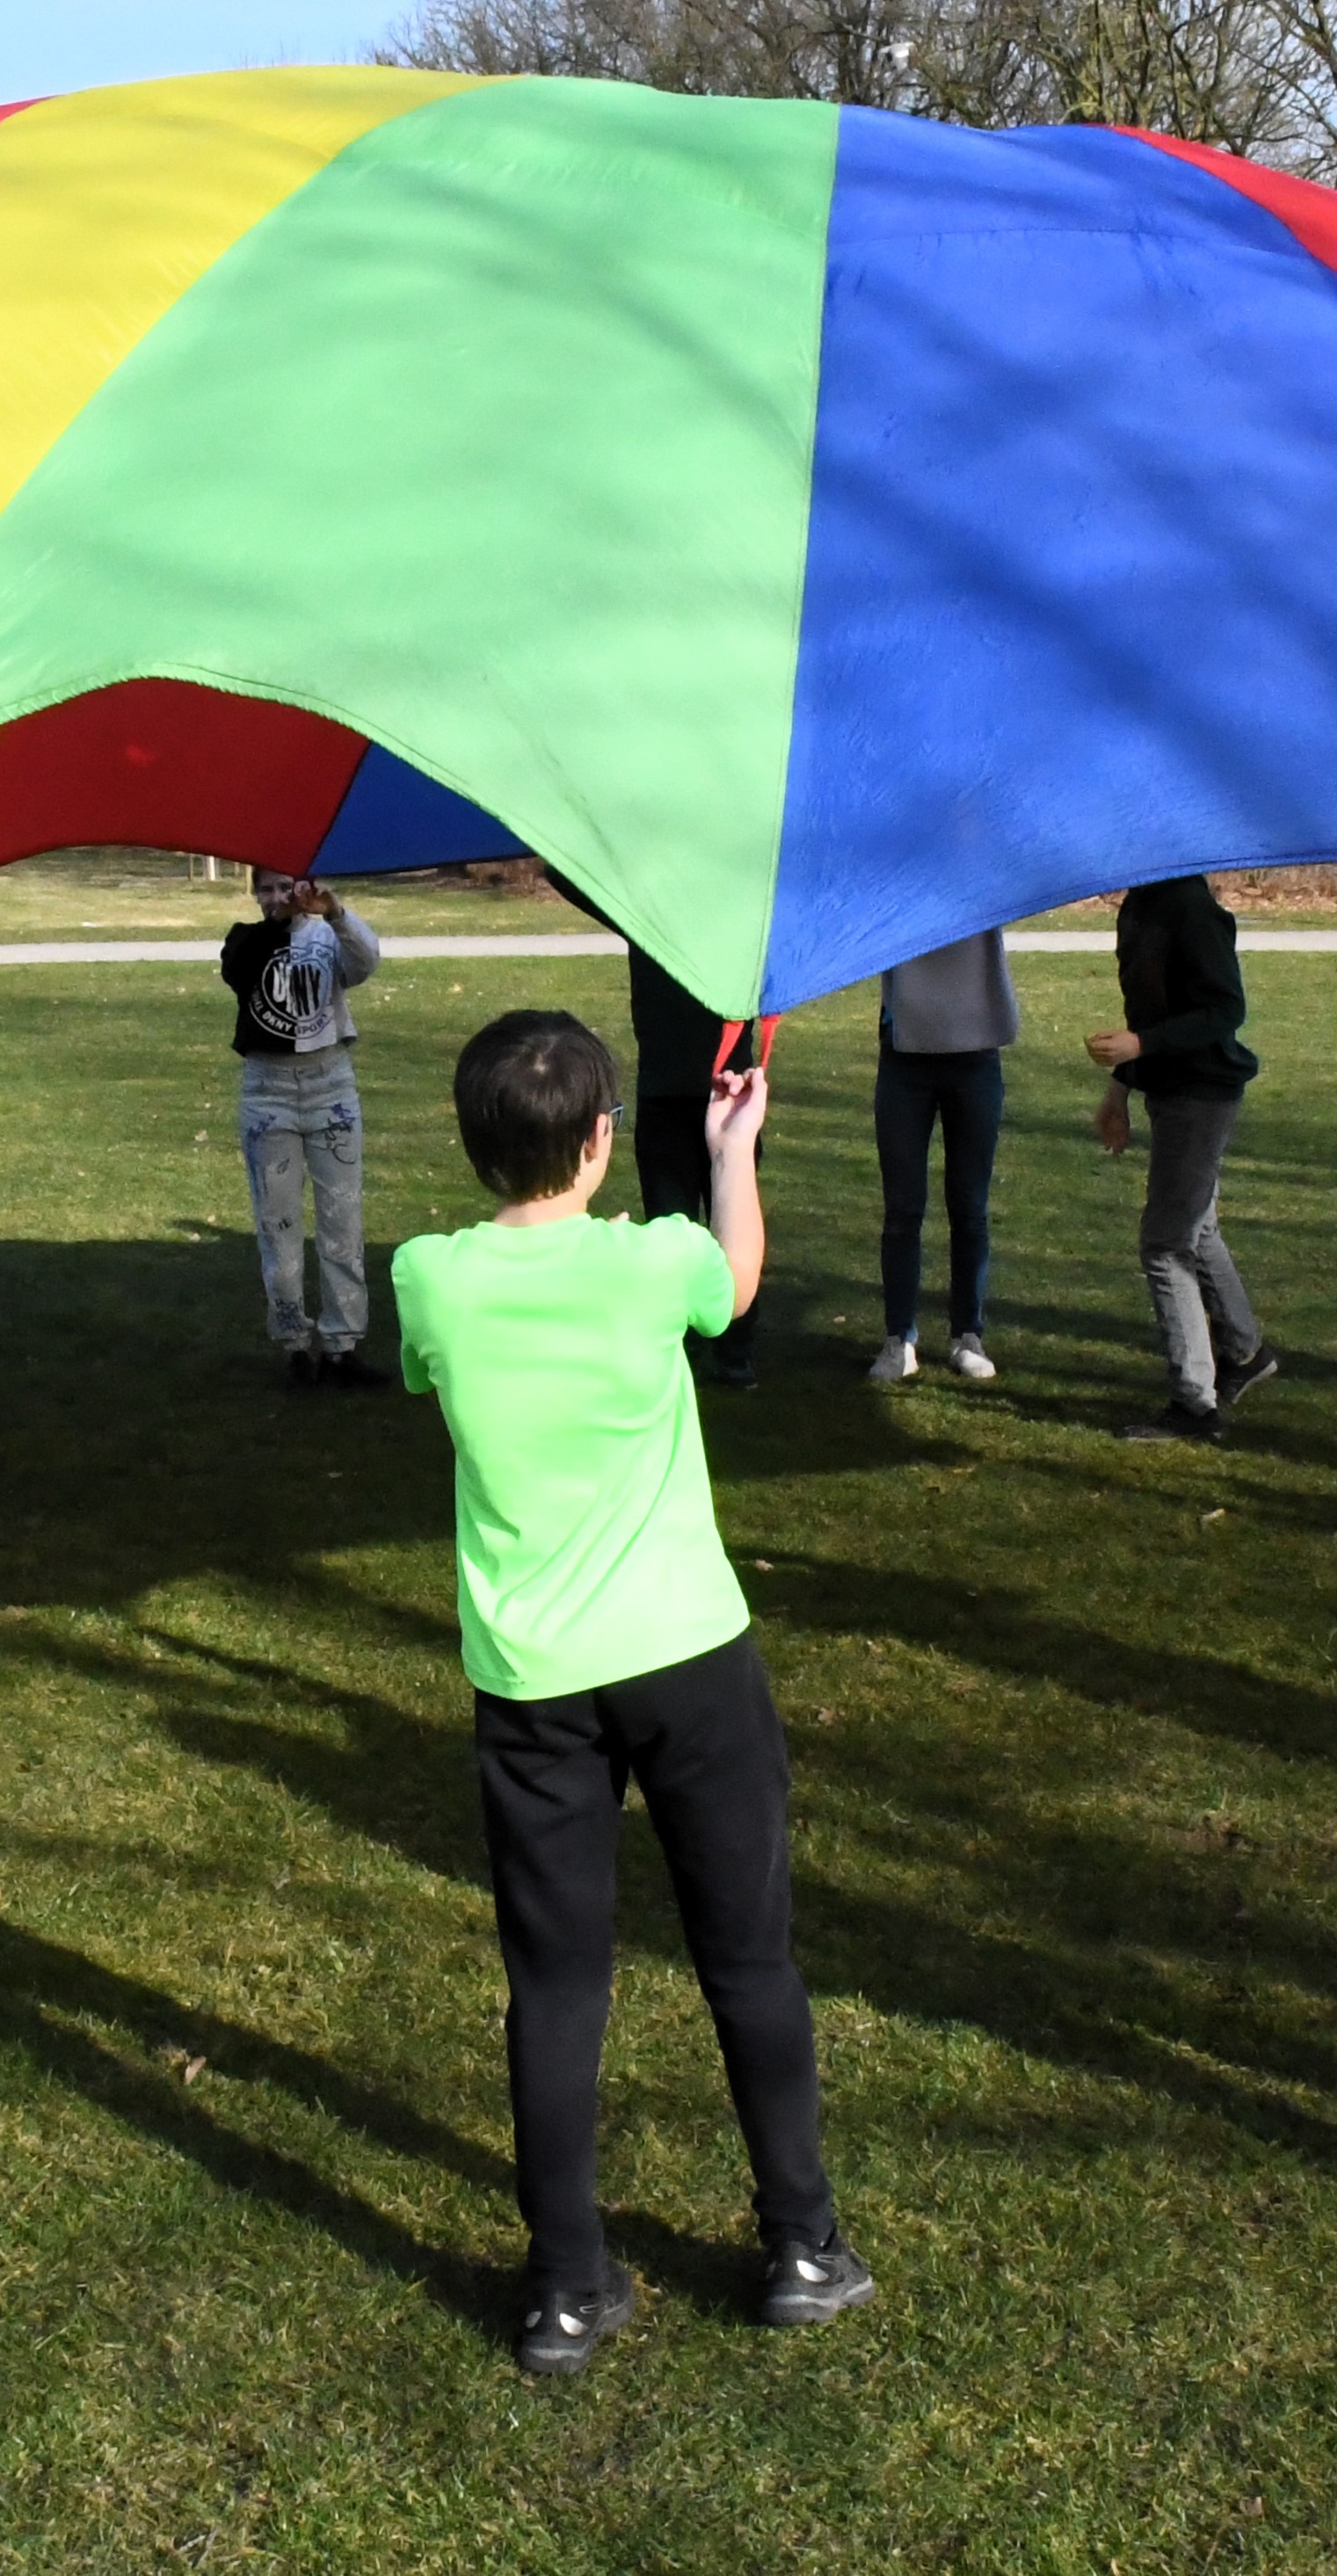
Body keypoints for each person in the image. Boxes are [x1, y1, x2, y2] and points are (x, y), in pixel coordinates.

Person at [396, 1011, 867, 2376]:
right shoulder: (654, 1259)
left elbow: (439, 1358)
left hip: (532, 1683)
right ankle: (801, 2243)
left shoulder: (430, 1277)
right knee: (749, 1957)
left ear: (473, 1144)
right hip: (689, 1659)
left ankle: (565, 2286)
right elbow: (737, 1278)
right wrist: (733, 1149)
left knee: (555, 1984)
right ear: (602, 1138)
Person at [1092, 873, 1279, 1442]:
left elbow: (1224, 1009)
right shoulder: (1140, 906)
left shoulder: (1189, 908)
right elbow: (1147, 1011)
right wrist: (1120, 1089)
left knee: (1166, 1243)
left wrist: (1142, 1046)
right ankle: (1245, 1353)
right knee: (1196, 1229)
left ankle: (1194, 1404)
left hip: (1202, 1094)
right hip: (1171, 1089)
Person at [221, 869, 384, 1386]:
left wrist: (335, 913)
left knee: (342, 1222)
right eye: (266, 889)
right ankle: (293, 1343)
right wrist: (281, 922)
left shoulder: (328, 936)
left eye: (286, 887)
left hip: (330, 1086)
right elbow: (238, 971)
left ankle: (342, 1346)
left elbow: (366, 962)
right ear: (255, 895)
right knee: (279, 1225)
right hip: (268, 1092)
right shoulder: (246, 940)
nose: (278, 898)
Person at [869, 925, 1017, 1384]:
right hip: (905, 1055)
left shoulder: (985, 882)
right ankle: (899, 1338)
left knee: (970, 1205)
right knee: (902, 1208)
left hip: (975, 1053)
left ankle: (967, 1335)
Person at [627, 942, 764, 1387]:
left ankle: (735, 1352)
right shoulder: (645, 917)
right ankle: (679, 1348)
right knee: (670, 1227)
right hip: (664, 1092)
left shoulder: (737, 921)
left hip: (726, 1091)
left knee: (733, 1218)